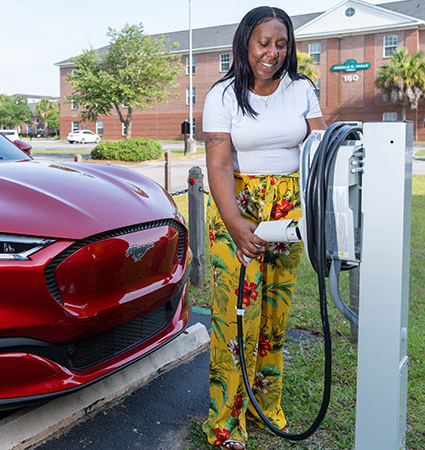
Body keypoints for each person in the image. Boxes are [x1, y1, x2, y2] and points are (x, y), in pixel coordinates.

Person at [200, 6, 327, 450]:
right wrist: (235, 223)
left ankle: (263, 408)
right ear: (245, 43)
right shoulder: (221, 95)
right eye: (263, 43)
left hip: (288, 209)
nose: (271, 52)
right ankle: (225, 423)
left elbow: (320, 146)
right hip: (238, 206)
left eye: (280, 43)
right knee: (234, 320)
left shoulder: (303, 90)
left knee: (273, 316)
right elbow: (217, 163)